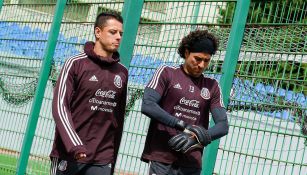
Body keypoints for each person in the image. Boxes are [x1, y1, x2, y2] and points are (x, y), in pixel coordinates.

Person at [141, 30, 229, 175]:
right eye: (197, 59)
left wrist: (198, 137)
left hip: (191, 161)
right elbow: (148, 105)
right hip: (162, 156)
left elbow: (223, 125)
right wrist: (183, 126)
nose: (201, 65)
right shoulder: (167, 72)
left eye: (206, 60)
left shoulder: (212, 85)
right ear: (187, 53)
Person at [50, 12, 128, 175]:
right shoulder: (75, 64)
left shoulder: (122, 72)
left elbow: (118, 119)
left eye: (121, 33)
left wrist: (112, 159)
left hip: (102, 159)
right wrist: (74, 143)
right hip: (69, 153)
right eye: (113, 32)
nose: (118, 37)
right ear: (98, 32)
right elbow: (60, 106)